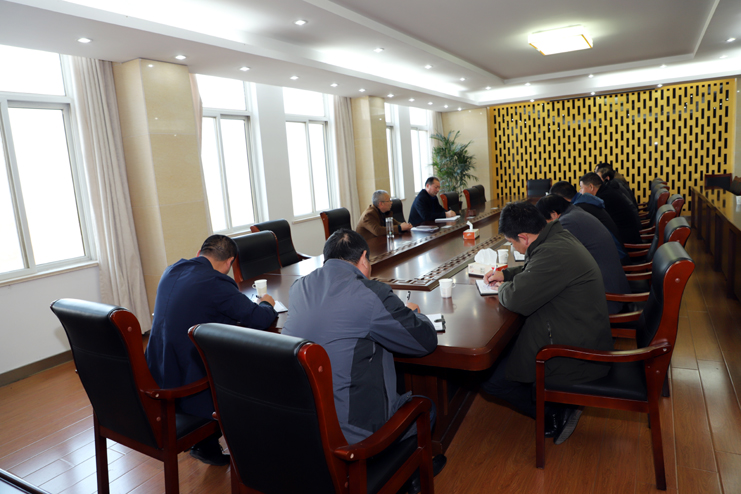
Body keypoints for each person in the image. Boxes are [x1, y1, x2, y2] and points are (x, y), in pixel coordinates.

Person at [282, 229, 445, 492]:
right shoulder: (370, 292)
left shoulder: (299, 287)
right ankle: (410, 479)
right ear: (364, 258)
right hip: (352, 438)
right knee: (427, 408)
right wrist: (415, 313)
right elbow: (424, 341)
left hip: (303, 425)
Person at [481, 202, 613, 445]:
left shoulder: (553, 253)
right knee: (508, 351)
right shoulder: (556, 237)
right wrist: (507, 274)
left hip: (576, 351)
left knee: (492, 381)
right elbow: (535, 270)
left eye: (511, 242)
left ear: (524, 237)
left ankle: (553, 413)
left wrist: (502, 288)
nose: (513, 247)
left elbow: (517, 298)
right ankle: (554, 403)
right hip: (580, 329)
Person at [145, 234, 278, 465]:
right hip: (189, 378)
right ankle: (249, 443)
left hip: (157, 368)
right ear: (229, 262)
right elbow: (258, 318)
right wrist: (267, 302)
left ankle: (206, 443)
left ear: (199, 253)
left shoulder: (172, 270)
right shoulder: (216, 282)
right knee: (251, 366)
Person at [535, 194, 631, 314]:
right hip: (611, 286)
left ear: (554, 214)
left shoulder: (567, 222)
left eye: (544, 223)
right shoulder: (575, 212)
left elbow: (554, 256)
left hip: (606, 298)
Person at [549, 180, 627, 261]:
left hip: (613, 259)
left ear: (562, 199)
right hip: (614, 254)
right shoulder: (585, 202)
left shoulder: (577, 211)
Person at [580, 172, 643, 245]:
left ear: (591, 187)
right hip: (628, 236)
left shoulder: (603, 198)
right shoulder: (607, 191)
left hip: (626, 242)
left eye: (581, 188)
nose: (580, 192)